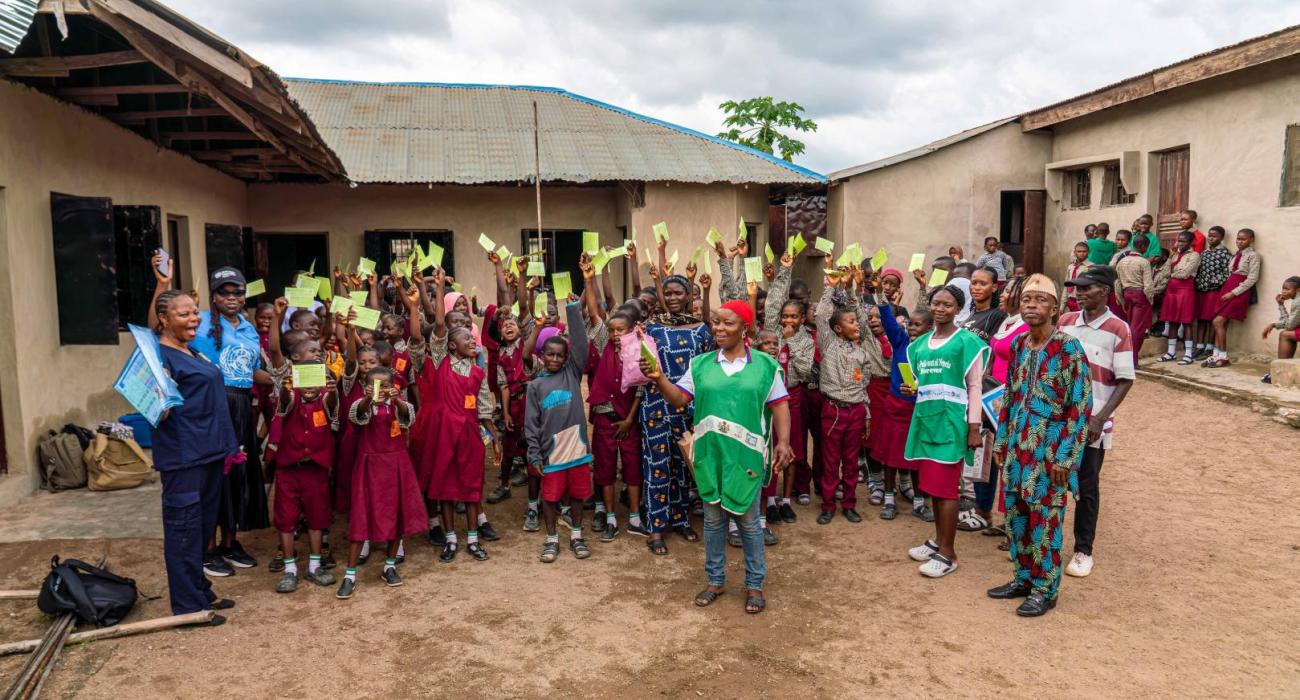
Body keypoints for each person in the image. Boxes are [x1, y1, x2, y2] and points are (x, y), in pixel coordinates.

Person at [639, 300, 793, 615]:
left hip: (745, 455)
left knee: (749, 523)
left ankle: (754, 584)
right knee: (712, 521)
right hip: (710, 455)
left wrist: (784, 442)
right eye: (716, 322)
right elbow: (680, 399)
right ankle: (715, 580)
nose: (719, 328)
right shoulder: (701, 364)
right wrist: (658, 377)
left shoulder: (765, 365)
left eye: (727, 323)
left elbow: (779, 405)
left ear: (745, 328)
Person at [150, 264, 269, 576]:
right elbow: (155, 332)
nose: (231, 297)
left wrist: (287, 380)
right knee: (214, 479)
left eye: (237, 292)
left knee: (236, 478)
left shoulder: (247, 327)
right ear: (213, 297)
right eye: (223, 292)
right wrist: (162, 286)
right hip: (212, 405)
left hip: (242, 405)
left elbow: (249, 370)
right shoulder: (197, 324)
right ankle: (208, 548)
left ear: (245, 296)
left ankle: (230, 542)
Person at [986, 274, 1092, 617]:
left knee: (1045, 518)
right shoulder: (1019, 345)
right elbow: (1010, 395)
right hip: (1018, 445)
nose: (1031, 305)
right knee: (1016, 513)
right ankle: (1023, 577)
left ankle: (1046, 589)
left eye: (1040, 300)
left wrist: (1066, 458)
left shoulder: (1068, 348)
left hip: (1050, 449)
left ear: (1055, 308)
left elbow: (1080, 406)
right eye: (1026, 299)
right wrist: (1002, 440)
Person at [149, 288, 239, 624]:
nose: (193, 318)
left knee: (201, 528)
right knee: (183, 530)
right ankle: (187, 607)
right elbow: (159, 413)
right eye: (183, 314)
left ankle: (200, 591)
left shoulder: (191, 351)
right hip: (184, 456)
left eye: (194, 312)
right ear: (163, 319)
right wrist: (160, 389)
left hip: (210, 453)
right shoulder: (161, 359)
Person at [408, 270, 501, 563]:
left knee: (472, 489)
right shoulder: (440, 362)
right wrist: (434, 288)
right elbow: (436, 326)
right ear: (450, 345)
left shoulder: (478, 372)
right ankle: (450, 539)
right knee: (445, 489)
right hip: (444, 435)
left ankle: (473, 539)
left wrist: (493, 437)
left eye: (472, 337)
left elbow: (484, 407)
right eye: (465, 339)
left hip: (471, 437)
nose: (472, 341)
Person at [903, 285, 988, 578]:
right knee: (932, 487)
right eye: (936, 303)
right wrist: (912, 388)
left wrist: (974, 427)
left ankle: (948, 553)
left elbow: (975, 386)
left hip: (953, 422)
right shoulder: (919, 345)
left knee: (946, 488)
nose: (940, 309)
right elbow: (923, 382)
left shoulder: (967, 342)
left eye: (947, 305)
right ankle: (939, 540)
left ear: (958, 309)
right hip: (926, 418)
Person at [1059, 265, 1135, 578]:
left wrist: (1099, 418)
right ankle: (1045, 543)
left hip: (1091, 424)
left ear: (1104, 291)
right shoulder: (1065, 323)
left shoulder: (1119, 329)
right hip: (1058, 420)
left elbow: (1125, 379)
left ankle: (1082, 550)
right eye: (1076, 288)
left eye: (1085, 288)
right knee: (1051, 482)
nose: (1077, 293)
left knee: (1086, 487)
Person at [639, 266, 714, 556]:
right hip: (656, 404)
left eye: (678, 293)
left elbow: (706, 369)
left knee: (685, 464)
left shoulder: (701, 330)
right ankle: (656, 527)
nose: (672, 297)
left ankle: (682, 519)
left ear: (687, 296)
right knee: (657, 465)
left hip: (690, 406)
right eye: (667, 293)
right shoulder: (650, 328)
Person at [336, 366, 427, 599]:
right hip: (369, 465)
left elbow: (409, 420)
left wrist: (396, 402)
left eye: (385, 385)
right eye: (375, 385)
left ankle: (389, 565)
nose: (381, 389)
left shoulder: (398, 406)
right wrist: (368, 398)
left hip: (397, 465)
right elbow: (356, 417)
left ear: (392, 386)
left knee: (396, 515)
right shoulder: (361, 404)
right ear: (366, 385)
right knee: (361, 516)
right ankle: (350, 574)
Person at [525, 295, 594, 563]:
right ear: (542, 356)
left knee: (577, 495)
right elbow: (531, 423)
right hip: (550, 452)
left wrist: (574, 310)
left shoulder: (572, 373)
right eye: (549, 354)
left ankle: (576, 534)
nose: (554, 359)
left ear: (567, 359)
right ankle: (552, 537)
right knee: (550, 498)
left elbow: (580, 344)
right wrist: (534, 454)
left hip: (576, 448)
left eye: (559, 355)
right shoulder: (536, 386)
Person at [813, 268, 885, 524]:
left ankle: (849, 504)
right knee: (831, 460)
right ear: (837, 329)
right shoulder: (829, 343)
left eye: (856, 321)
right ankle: (828, 504)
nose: (856, 325)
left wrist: (864, 410)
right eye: (850, 322)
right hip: (832, 410)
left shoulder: (861, 351)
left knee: (851, 461)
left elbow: (864, 383)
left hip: (855, 411)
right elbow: (822, 315)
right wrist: (831, 288)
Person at [582, 261, 646, 540]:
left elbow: (642, 389)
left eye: (621, 330)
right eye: (612, 330)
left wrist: (630, 419)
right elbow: (595, 313)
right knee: (605, 469)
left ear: (631, 330)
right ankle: (609, 517)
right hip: (606, 419)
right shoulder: (601, 345)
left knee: (632, 468)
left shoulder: (640, 350)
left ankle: (633, 515)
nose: (616, 334)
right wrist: (589, 278)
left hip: (628, 420)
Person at [266, 362, 338, 593]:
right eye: (304, 381)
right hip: (288, 470)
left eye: (316, 381)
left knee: (318, 517)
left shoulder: (326, 400)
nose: (310, 387)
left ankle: (315, 565)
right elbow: (284, 404)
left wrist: (333, 391)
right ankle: (290, 569)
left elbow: (332, 404)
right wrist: (287, 390)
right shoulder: (290, 399)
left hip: (315, 470)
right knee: (286, 518)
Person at [763, 250, 814, 524]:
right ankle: (770, 500)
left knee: (793, 447)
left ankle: (785, 499)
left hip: (793, 395)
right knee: (770, 446)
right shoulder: (773, 332)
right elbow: (771, 305)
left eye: (794, 317)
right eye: (785, 316)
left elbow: (805, 370)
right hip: (768, 397)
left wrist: (792, 342)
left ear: (803, 319)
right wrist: (784, 271)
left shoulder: (805, 339)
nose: (788, 321)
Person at [1206, 229, 1261, 368]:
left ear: (1251, 239)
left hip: (1239, 291)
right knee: (1223, 323)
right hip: (1227, 288)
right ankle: (1216, 355)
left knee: (1217, 322)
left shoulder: (1254, 256)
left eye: (1243, 239)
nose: (1239, 242)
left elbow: (1252, 278)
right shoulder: (1236, 255)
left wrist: (1234, 292)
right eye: (1238, 239)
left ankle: (1224, 357)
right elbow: (1230, 273)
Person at [1156, 232, 1201, 364]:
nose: (1180, 244)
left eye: (1183, 241)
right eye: (1179, 241)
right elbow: (1165, 271)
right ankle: (1171, 352)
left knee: (1186, 322)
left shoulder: (1195, 255)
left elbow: (1186, 273)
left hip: (1185, 289)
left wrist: (1172, 274)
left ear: (1191, 242)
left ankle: (1188, 354)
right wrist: (1170, 257)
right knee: (1172, 321)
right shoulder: (1174, 255)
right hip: (1172, 290)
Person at [1115, 235, 1158, 356]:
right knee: (1137, 329)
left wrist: (1121, 300)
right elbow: (1148, 284)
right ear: (1144, 247)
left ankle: (1127, 356)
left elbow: (1117, 283)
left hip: (1126, 294)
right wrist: (1150, 300)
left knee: (1130, 326)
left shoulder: (1122, 261)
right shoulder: (1144, 262)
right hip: (1140, 295)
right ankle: (1132, 359)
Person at [1192, 227, 1231, 360]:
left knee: (1211, 319)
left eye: (1214, 236)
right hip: (1201, 289)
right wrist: (1199, 282)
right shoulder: (1204, 253)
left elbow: (1227, 274)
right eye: (1209, 236)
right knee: (1201, 319)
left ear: (1221, 238)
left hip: (1214, 290)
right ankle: (1199, 346)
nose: (1211, 238)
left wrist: (1212, 282)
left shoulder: (1225, 253)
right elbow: (1199, 270)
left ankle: (1209, 347)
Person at [1260, 276, 1300, 383]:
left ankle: (1280, 371)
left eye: (1287, 289)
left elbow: (1290, 326)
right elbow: (1292, 323)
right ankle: (1281, 370)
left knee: (1285, 335)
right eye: (1283, 289)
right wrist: (1274, 325)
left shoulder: (1298, 302)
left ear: (1298, 290)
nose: (1283, 292)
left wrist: (1281, 306)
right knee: (1287, 334)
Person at [1064, 241, 1090, 312]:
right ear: (1075, 252)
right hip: (1070, 299)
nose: (1082, 253)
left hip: (1083, 300)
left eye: (1084, 251)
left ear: (1088, 252)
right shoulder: (1071, 267)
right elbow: (1066, 286)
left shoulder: (1091, 267)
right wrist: (1063, 304)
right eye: (1079, 251)